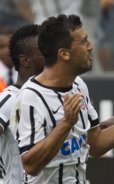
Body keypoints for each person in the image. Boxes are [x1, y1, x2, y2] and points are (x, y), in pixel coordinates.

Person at [10, 14, 114, 183]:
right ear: (64, 54)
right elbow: (30, 165)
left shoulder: (78, 85)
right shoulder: (30, 97)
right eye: (83, 42)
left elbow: (95, 145)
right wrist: (65, 124)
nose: (91, 46)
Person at [0, 24, 45, 183]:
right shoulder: (9, 99)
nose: (50, 55)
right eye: (43, 52)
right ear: (25, 60)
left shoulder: (48, 97)